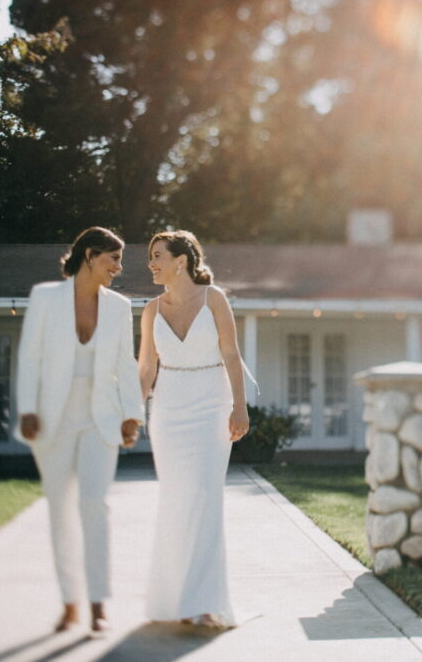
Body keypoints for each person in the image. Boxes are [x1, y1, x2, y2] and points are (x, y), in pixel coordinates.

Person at [15, 226, 145, 635]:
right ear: (90, 255)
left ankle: (97, 604)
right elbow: (30, 356)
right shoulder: (45, 297)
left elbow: (126, 363)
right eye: (113, 259)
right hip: (51, 419)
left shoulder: (119, 306)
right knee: (60, 510)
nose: (118, 269)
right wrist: (27, 409)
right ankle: (70, 602)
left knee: (94, 504)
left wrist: (131, 415)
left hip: (99, 418)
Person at [137, 229, 250, 628]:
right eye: (151, 256)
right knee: (176, 500)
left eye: (157, 255)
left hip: (211, 404)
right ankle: (177, 600)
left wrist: (240, 406)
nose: (151, 263)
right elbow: (147, 367)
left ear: (181, 261)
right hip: (168, 411)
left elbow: (232, 353)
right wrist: (133, 411)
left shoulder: (213, 299)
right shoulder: (151, 310)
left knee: (205, 495)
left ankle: (205, 600)